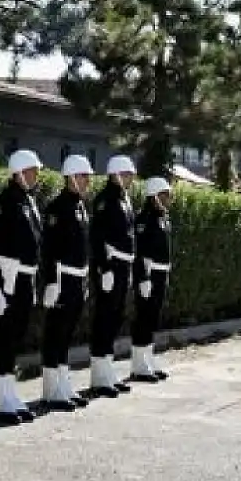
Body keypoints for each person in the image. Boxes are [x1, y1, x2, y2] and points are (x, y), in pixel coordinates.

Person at [0, 149, 45, 424]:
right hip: (8, 279)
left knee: (15, 338)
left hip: (24, 279)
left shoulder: (28, 201)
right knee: (3, 339)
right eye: (31, 171)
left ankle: (8, 394)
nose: (36, 176)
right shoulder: (3, 203)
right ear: (18, 172)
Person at [38, 155, 95, 411]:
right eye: (84, 176)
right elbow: (49, 249)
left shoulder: (80, 206)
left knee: (67, 334)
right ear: (71, 177)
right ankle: (52, 390)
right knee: (56, 334)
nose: (88, 181)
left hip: (76, 278)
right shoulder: (57, 208)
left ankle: (62, 384)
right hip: (61, 279)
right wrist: (50, 281)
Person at [86, 155, 138, 398]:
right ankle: (99, 375)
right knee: (104, 318)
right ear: (115, 174)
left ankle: (107, 370)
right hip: (110, 265)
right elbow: (97, 237)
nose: (130, 179)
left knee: (116, 317)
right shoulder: (105, 200)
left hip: (123, 265)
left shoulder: (124, 199)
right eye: (126, 174)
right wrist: (104, 268)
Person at [128, 176, 174, 382]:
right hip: (149, 274)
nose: (168, 199)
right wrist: (143, 277)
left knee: (153, 318)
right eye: (165, 195)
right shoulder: (144, 219)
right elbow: (139, 251)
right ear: (154, 196)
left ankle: (148, 358)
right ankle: (138, 365)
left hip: (160, 272)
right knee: (144, 318)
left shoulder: (162, 217)